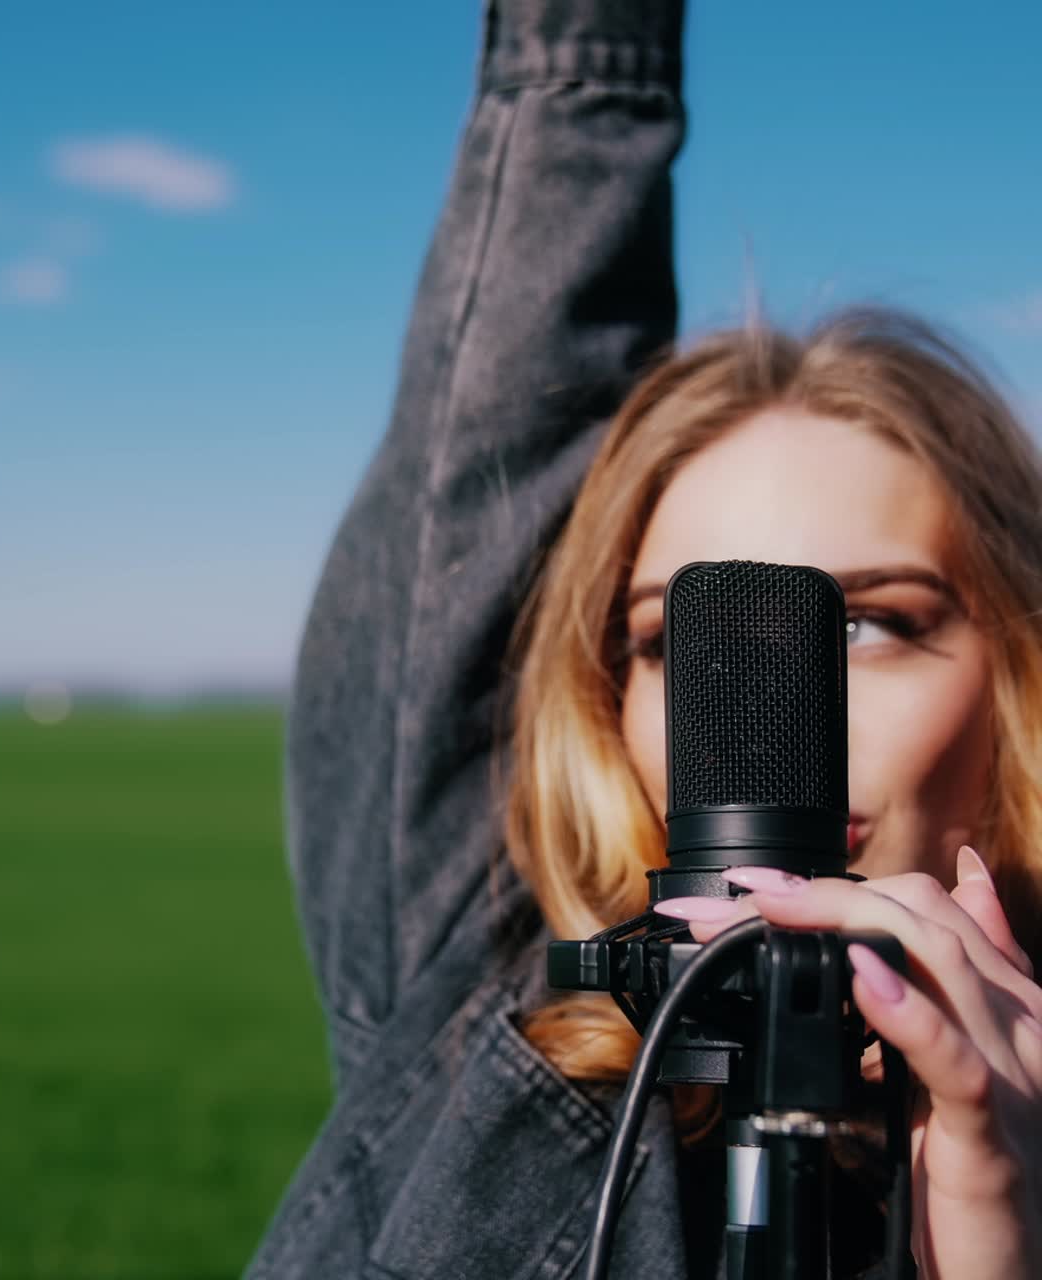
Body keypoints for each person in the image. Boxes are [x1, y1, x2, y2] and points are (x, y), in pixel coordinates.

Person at [246, 2, 1042, 1277]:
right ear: (603, 699)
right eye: (686, 638)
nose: (769, 713)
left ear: (1013, 679)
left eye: (872, 623)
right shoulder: (478, 997)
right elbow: (495, 408)